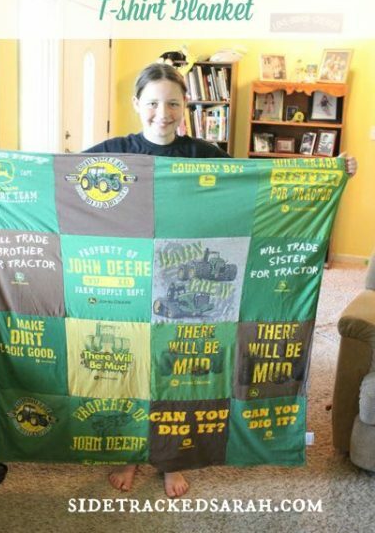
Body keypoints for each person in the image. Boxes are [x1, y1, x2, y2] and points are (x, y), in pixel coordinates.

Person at [85, 63, 358, 498]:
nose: (162, 113)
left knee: (179, 371)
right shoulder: (114, 151)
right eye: (152, 103)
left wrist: (331, 171)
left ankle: (172, 459)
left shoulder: (203, 153)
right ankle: (129, 454)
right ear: (137, 104)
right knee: (131, 370)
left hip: (187, 284)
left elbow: (259, 184)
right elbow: (60, 178)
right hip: (133, 283)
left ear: (185, 106)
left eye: (173, 103)